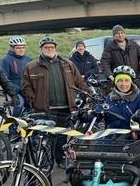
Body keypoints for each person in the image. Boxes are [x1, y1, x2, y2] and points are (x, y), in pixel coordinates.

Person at [68, 65, 140, 186]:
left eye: (126, 80)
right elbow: (97, 113)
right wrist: (86, 115)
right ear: (115, 82)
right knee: (94, 153)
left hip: (132, 138)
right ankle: (98, 183)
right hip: (110, 137)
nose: (123, 84)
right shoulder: (109, 99)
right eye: (120, 81)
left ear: (131, 82)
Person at [21, 36, 90, 167]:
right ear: (41, 49)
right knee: (47, 136)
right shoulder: (31, 66)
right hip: (46, 108)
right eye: (46, 47)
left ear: (55, 48)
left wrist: (88, 93)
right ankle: (46, 160)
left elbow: (79, 82)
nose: (49, 49)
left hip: (66, 106)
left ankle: (60, 158)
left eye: (51, 47)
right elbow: (26, 87)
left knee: (62, 135)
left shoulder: (67, 64)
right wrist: (34, 100)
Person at [100, 25, 140, 91]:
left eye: (122, 33)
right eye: (117, 33)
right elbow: (104, 62)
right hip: (120, 82)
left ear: (124, 34)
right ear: (114, 36)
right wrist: (110, 75)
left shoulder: (133, 45)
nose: (120, 35)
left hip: (135, 80)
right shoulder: (109, 47)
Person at [0, 36, 32, 116]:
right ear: (12, 48)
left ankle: (27, 121)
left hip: (26, 88)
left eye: (23, 47)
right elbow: (4, 78)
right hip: (14, 90)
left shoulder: (28, 59)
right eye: (18, 48)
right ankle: (13, 124)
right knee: (19, 104)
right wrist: (16, 89)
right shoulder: (5, 60)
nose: (21, 50)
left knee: (37, 104)